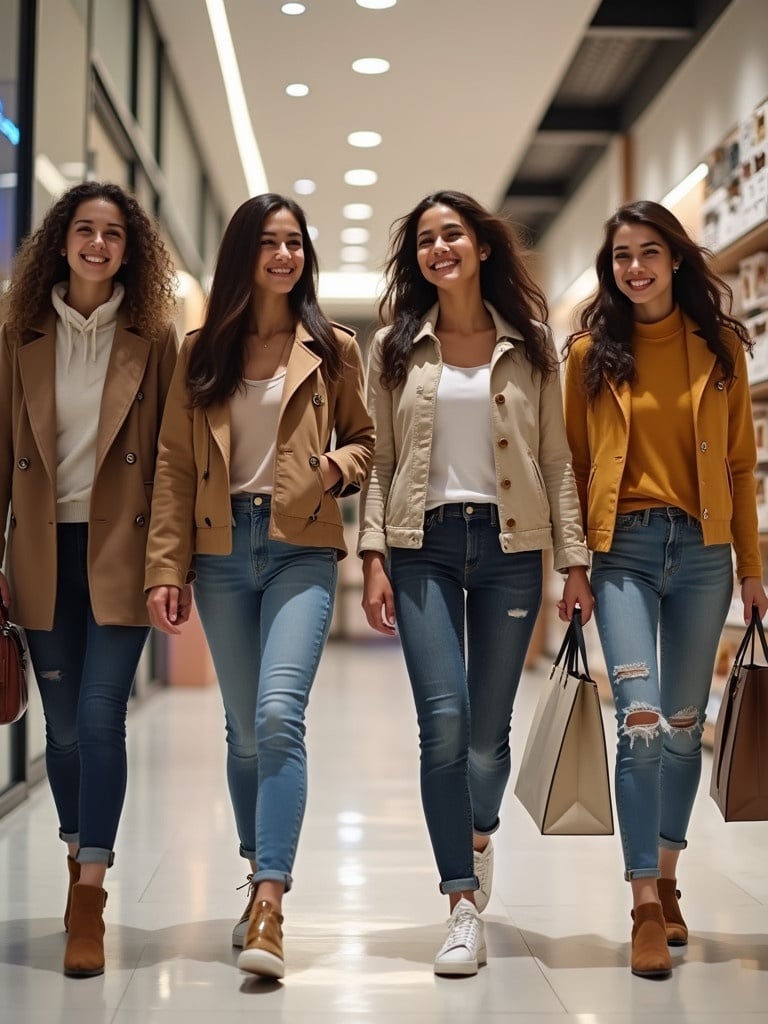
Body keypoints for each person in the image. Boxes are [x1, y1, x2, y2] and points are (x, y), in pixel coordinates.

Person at [358, 189, 592, 976]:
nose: (439, 248)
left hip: (508, 547)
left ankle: (478, 832)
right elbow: (381, 464)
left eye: (452, 234)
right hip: (419, 542)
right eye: (426, 239)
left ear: (481, 247)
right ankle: (460, 901)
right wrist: (372, 559)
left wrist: (575, 561)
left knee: (489, 737)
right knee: (444, 723)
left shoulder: (531, 344)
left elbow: (555, 462)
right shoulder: (393, 349)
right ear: (417, 258)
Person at [145, 193, 374, 980]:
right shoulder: (202, 349)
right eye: (270, 243)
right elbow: (175, 465)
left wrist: (332, 468)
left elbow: (365, 438)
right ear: (244, 253)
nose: (285, 256)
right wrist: (165, 567)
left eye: (295, 243)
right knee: (243, 729)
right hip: (217, 552)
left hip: (298, 546)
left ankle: (272, 902)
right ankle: (254, 873)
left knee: (279, 715)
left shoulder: (332, 346)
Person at [563, 199, 768, 979]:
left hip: (706, 551)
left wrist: (752, 570)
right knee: (641, 720)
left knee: (685, 723)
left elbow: (743, 466)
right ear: (609, 267)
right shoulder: (589, 353)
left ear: (676, 259)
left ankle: (672, 878)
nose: (636, 267)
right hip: (625, 550)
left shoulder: (720, 348)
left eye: (649, 252)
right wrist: (575, 566)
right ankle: (643, 899)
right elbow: (574, 470)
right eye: (622, 255)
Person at [0, 181, 179, 977]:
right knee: (63, 728)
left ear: (129, 250)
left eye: (113, 234)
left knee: (103, 717)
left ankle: (90, 896)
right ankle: (78, 856)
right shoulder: (17, 334)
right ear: (61, 242)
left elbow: (171, 464)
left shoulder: (154, 338)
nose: (98, 244)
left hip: (122, 555)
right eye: (85, 230)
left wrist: (169, 563)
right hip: (39, 553)